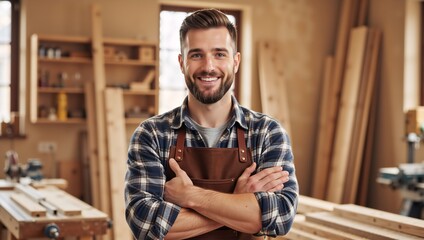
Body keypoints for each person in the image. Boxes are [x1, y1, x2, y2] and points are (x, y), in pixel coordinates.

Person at [125, 8, 298, 240]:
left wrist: (191, 197)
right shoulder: (152, 134)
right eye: (196, 55)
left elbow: (280, 217)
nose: (208, 66)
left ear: (235, 62)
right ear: (181, 62)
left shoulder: (267, 132)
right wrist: (238, 203)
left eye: (219, 54)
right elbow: (145, 224)